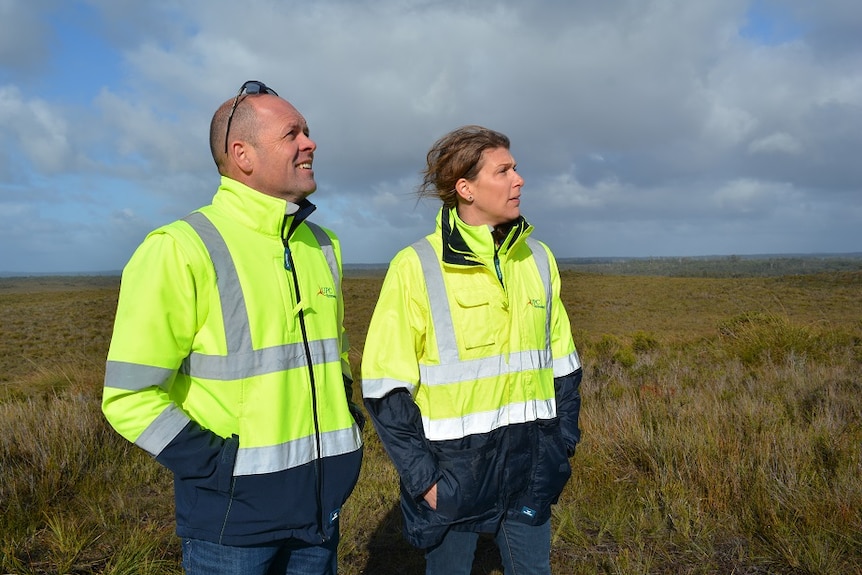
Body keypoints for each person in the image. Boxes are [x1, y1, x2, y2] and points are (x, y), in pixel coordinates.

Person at [102, 80, 364, 575]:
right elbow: (129, 397)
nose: (310, 143)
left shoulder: (323, 246)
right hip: (232, 526)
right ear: (242, 154)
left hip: (320, 509)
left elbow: (334, 362)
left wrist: (347, 427)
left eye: (307, 131)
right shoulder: (180, 248)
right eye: (293, 134)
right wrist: (221, 470)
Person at [361, 125, 582, 575]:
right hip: (455, 477)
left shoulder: (538, 259)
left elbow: (565, 367)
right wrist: (427, 481)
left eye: (516, 169)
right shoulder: (416, 266)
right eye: (504, 171)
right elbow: (386, 388)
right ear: (466, 188)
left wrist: (561, 445)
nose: (518, 179)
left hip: (531, 471)